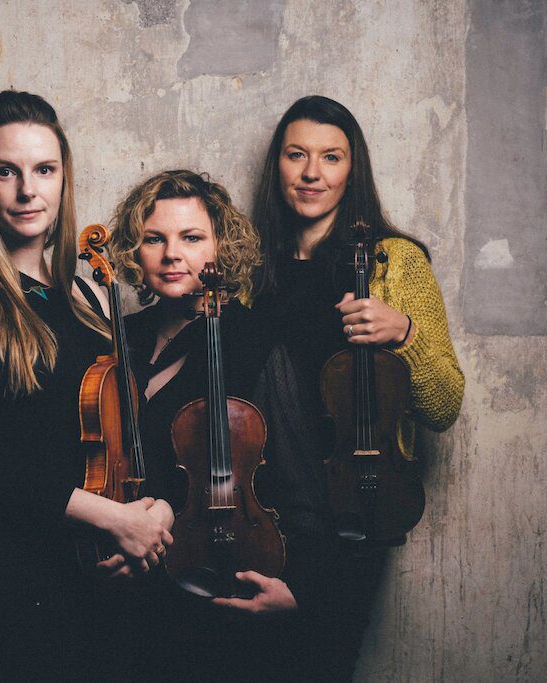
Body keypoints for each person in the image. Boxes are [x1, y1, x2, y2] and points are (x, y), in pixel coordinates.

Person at [0, 90, 174, 678]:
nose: (27, 190)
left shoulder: (83, 293)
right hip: (6, 587)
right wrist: (113, 520)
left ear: (63, 178)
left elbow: (122, 433)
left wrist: (147, 517)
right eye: (6, 171)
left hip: (92, 574)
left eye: (44, 170)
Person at [241, 94, 465, 679]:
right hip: (257, 516)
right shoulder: (250, 269)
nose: (312, 173)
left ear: (352, 168)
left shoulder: (395, 262)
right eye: (297, 155)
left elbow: (444, 404)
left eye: (331, 157)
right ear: (278, 165)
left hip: (353, 516)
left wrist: (405, 332)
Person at [108, 169, 296, 679]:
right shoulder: (120, 336)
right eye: (154, 239)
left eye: (191, 238)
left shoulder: (255, 340)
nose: (172, 254)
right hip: (127, 586)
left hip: (216, 578)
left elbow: (297, 481)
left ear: (221, 247)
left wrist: (298, 593)